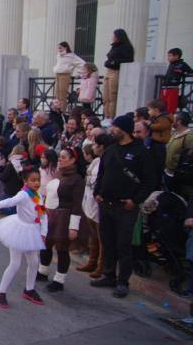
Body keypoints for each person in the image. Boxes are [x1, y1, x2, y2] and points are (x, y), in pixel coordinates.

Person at [92, 115, 156, 298]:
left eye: (115, 128)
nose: (112, 130)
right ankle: (109, 275)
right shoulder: (111, 149)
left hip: (125, 207)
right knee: (108, 242)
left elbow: (150, 181)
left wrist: (135, 200)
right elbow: (102, 173)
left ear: (124, 130)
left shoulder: (141, 152)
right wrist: (98, 192)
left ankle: (122, 282)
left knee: (123, 245)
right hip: (106, 204)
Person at [0, 167, 47, 308]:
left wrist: (44, 232)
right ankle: (1, 292)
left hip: (33, 231)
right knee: (15, 264)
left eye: (38, 180)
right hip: (19, 230)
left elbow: (43, 215)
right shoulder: (23, 194)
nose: (37, 183)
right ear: (25, 181)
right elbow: (10, 201)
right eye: (33, 180)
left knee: (34, 262)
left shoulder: (39, 195)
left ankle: (29, 289)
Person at [36, 148, 84, 293]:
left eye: (63, 157)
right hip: (50, 214)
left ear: (72, 160)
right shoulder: (58, 173)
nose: (60, 159)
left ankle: (59, 280)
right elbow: (48, 196)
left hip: (64, 216)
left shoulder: (77, 180)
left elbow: (77, 204)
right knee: (45, 244)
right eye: (60, 157)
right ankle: (42, 271)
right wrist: (41, 212)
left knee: (62, 249)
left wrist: (73, 227)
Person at [77, 140, 105, 277]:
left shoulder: (105, 161)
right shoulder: (96, 161)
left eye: (96, 144)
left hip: (98, 203)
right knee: (92, 235)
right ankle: (91, 262)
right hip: (88, 200)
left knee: (101, 237)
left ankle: (101, 266)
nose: (93, 146)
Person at [102, 29, 134, 120]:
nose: (113, 38)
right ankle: (106, 116)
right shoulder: (114, 46)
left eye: (114, 36)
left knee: (112, 96)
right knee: (105, 97)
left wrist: (113, 62)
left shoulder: (126, 47)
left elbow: (128, 60)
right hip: (108, 71)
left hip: (116, 72)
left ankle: (112, 117)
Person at [52, 42, 85, 111]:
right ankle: (56, 110)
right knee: (57, 94)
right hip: (57, 74)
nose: (59, 49)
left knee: (62, 95)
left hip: (65, 75)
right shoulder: (59, 56)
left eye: (60, 48)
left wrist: (77, 73)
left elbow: (82, 63)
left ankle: (62, 111)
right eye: (58, 48)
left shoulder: (71, 56)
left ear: (65, 47)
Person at [161, 48, 191, 113]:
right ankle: (163, 120)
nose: (168, 58)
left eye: (169, 56)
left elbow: (190, 71)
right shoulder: (171, 64)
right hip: (164, 88)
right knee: (162, 107)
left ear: (176, 56)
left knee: (171, 107)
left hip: (173, 89)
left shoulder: (183, 64)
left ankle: (170, 121)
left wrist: (184, 74)